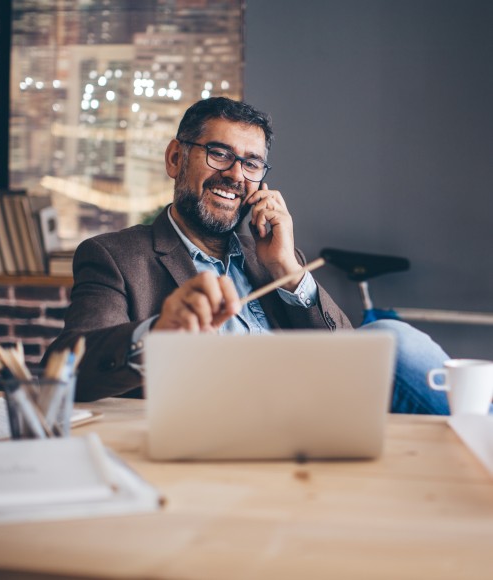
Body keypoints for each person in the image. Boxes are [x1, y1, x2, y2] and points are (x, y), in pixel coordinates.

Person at [44, 97, 450, 413]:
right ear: (175, 158)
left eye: (251, 163)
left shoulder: (270, 258)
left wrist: (290, 272)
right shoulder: (114, 256)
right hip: (207, 425)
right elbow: (63, 370)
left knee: (389, 338)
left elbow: (345, 354)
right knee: (392, 337)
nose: (236, 175)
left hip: (311, 416)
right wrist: (158, 333)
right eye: (219, 153)